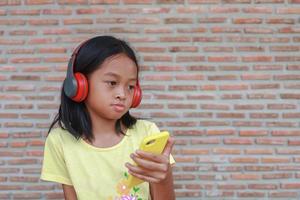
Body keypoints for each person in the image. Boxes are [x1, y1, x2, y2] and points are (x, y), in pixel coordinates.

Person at [40, 35, 176, 200]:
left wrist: (164, 177)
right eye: (112, 83)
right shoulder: (60, 141)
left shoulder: (147, 132)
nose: (122, 94)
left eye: (131, 86)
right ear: (78, 84)